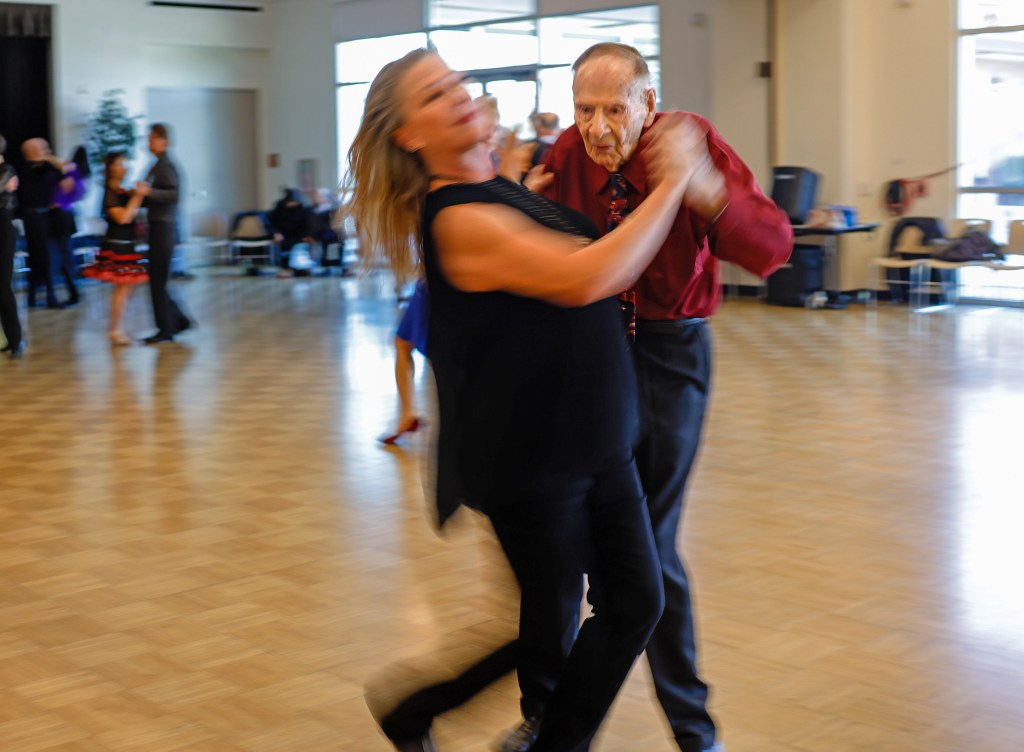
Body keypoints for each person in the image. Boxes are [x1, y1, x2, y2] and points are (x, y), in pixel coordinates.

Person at [347, 48, 716, 752]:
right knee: (559, 621)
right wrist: (673, 184)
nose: (458, 93)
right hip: (532, 461)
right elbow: (591, 275)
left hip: (597, 442)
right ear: (410, 135)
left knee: (633, 603)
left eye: (454, 81)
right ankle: (459, 720)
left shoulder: (498, 189)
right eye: (434, 95)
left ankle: (420, 713)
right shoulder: (455, 219)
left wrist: (522, 181)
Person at [499, 42, 791, 752]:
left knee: (648, 549)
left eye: (614, 109)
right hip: (584, 354)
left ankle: (693, 730)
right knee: (557, 544)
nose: (597, 128)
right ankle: (545, 716)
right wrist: (518, 201)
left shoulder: (688, 140)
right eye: (584, 110)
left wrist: (705, 190)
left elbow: (772, 246)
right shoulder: (565, 154)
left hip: (667, 356)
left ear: (647, 103)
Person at [82, 152, 149, 345]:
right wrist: (137, 196)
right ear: (111, 168)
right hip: (117, 245)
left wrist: (135, 195)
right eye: (121, 164)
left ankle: (118, 328)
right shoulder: (110, 192)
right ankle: (115, 329)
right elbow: (123, 218)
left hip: (126, 244)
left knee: (126, 289)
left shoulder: (120, 191)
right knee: (122, 288)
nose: (124, 168)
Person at [137, 123, 191, 344]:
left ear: (164, 142)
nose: (149, 142)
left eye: (152, 138)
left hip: (164, 227)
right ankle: (178, 321)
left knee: (158, 281)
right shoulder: (157, 165)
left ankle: (166, 329)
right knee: (157, 280)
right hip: (158, 226)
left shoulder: (166, 165)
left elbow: (173, 195)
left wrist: (148, 191)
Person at [19, 137, 72, 309]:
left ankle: (39, 297)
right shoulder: (24, 170)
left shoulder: (47, 168)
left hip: (44, 217)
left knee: (45, 257)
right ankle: (47, 297)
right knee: (40, 257)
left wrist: (54, 164)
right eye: (42, 149)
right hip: (34, 218)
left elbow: (67, 186)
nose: (46, 152)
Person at [378, 278, 429, 445]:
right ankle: (407, 414)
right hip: (428, 284)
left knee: (437, 353)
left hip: (436, 284)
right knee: (403, 342)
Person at [48, 145, 91, 307]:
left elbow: (60, 168)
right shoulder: (82, 173)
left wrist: (47, 157)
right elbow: (80, 194)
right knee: (66, 254)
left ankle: (74, 292)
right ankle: (74, 291)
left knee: (63, 256)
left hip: (59, 215)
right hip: (68, 214)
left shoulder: (71, 168)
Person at [0, 133, 25, 358]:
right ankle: (9, 338)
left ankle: (16, 340)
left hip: (3, 234)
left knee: (3, 286)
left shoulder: (7, 170)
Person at [268, 187, 313, 277]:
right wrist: (276, 233)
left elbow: (308, 224)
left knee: (300, 248)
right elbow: (272, 223)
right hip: (284, 235)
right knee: (285, 247)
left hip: (300, 235)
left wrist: (308, 235)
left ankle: (301, 268)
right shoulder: (278, 210)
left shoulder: (304, 210)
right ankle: (286, 268)